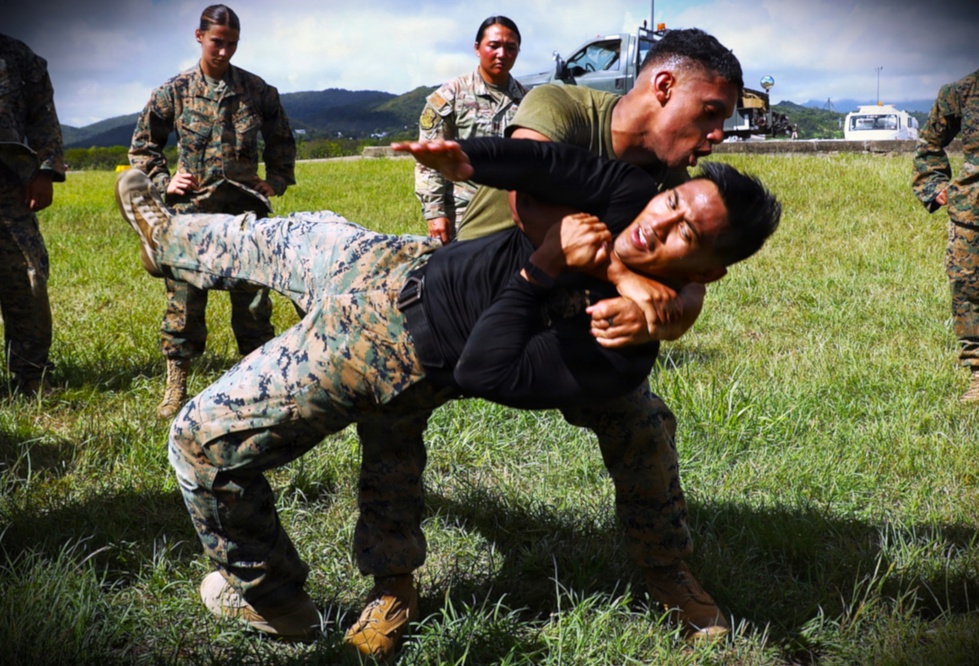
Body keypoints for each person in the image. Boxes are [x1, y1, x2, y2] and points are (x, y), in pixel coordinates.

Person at [114, 136, 780, 658]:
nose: (657, 223)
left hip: (395, 341)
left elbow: (485, 369)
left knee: (201, 440)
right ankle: (166, 241)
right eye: (672, 203)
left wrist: (544, 267)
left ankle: (273, 601)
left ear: (708, 269)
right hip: (403, 261)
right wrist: (469, 159)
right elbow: (548, 164)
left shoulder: (616, 348)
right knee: (290, 234)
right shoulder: (632, 195)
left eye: (686, 233)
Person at [449, 25, 744, 643]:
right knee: (390, 399)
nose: (718, 133)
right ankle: (392, 582)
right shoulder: (560, 106)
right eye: (711, 112)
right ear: (664, 86)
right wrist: (623, 276)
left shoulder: (674, 183)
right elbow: (531, 207)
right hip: (477, 296)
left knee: (643, 422)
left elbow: (692, 290)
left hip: (571, 317)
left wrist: (652, 316)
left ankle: (666, 571)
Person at [129, 4, 296, 419]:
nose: (224, 51)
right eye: (217, 42)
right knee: (184, 303)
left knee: (254, 304)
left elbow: (282, 139)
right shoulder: (175, 91)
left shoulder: (257, 91)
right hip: (192, 214)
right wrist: (163, 180)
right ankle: (176, 385)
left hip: (244, 215)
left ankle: (258, 385)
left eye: (232, 44)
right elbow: (143, 144)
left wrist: (275, 180)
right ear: (199, 36)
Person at [913, 5, 979, 404]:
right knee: (972, 294)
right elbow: (929, 144)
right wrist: (935, 186)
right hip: (974, 215)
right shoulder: (961, 92)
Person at [415, 15, 526, 244]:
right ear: (477, 48)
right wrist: (435, 213)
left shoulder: (526, 101)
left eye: (510, 48)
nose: (502, 54)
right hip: (464, 212)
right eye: (494, 46)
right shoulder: (451, 95)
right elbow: (430, 158)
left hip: (510, 214)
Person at [0, 33, 64, 397]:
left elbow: (42, 116)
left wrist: (45, 170)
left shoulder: (17, 56)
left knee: (27, 278)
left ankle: (31, 375)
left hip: (10, 185)